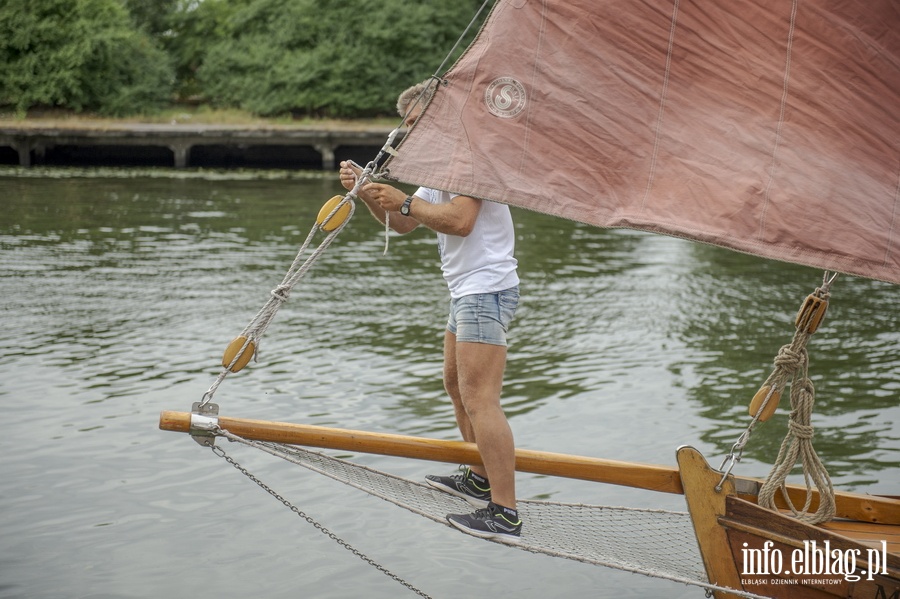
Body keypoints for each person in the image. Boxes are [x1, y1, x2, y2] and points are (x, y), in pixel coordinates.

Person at [338, 80, 522, 542]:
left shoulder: (470, 161)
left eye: (415, 123)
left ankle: (505, 512)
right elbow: (403, 224)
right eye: (407, 125)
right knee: (454, 383)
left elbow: (460, 222)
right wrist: (366, 191)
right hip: (465, 290)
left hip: (487, 287)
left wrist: (403, 199)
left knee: (481, 398)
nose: (408, 132)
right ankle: (480, 475)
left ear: (441, 116)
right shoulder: (441, 167)